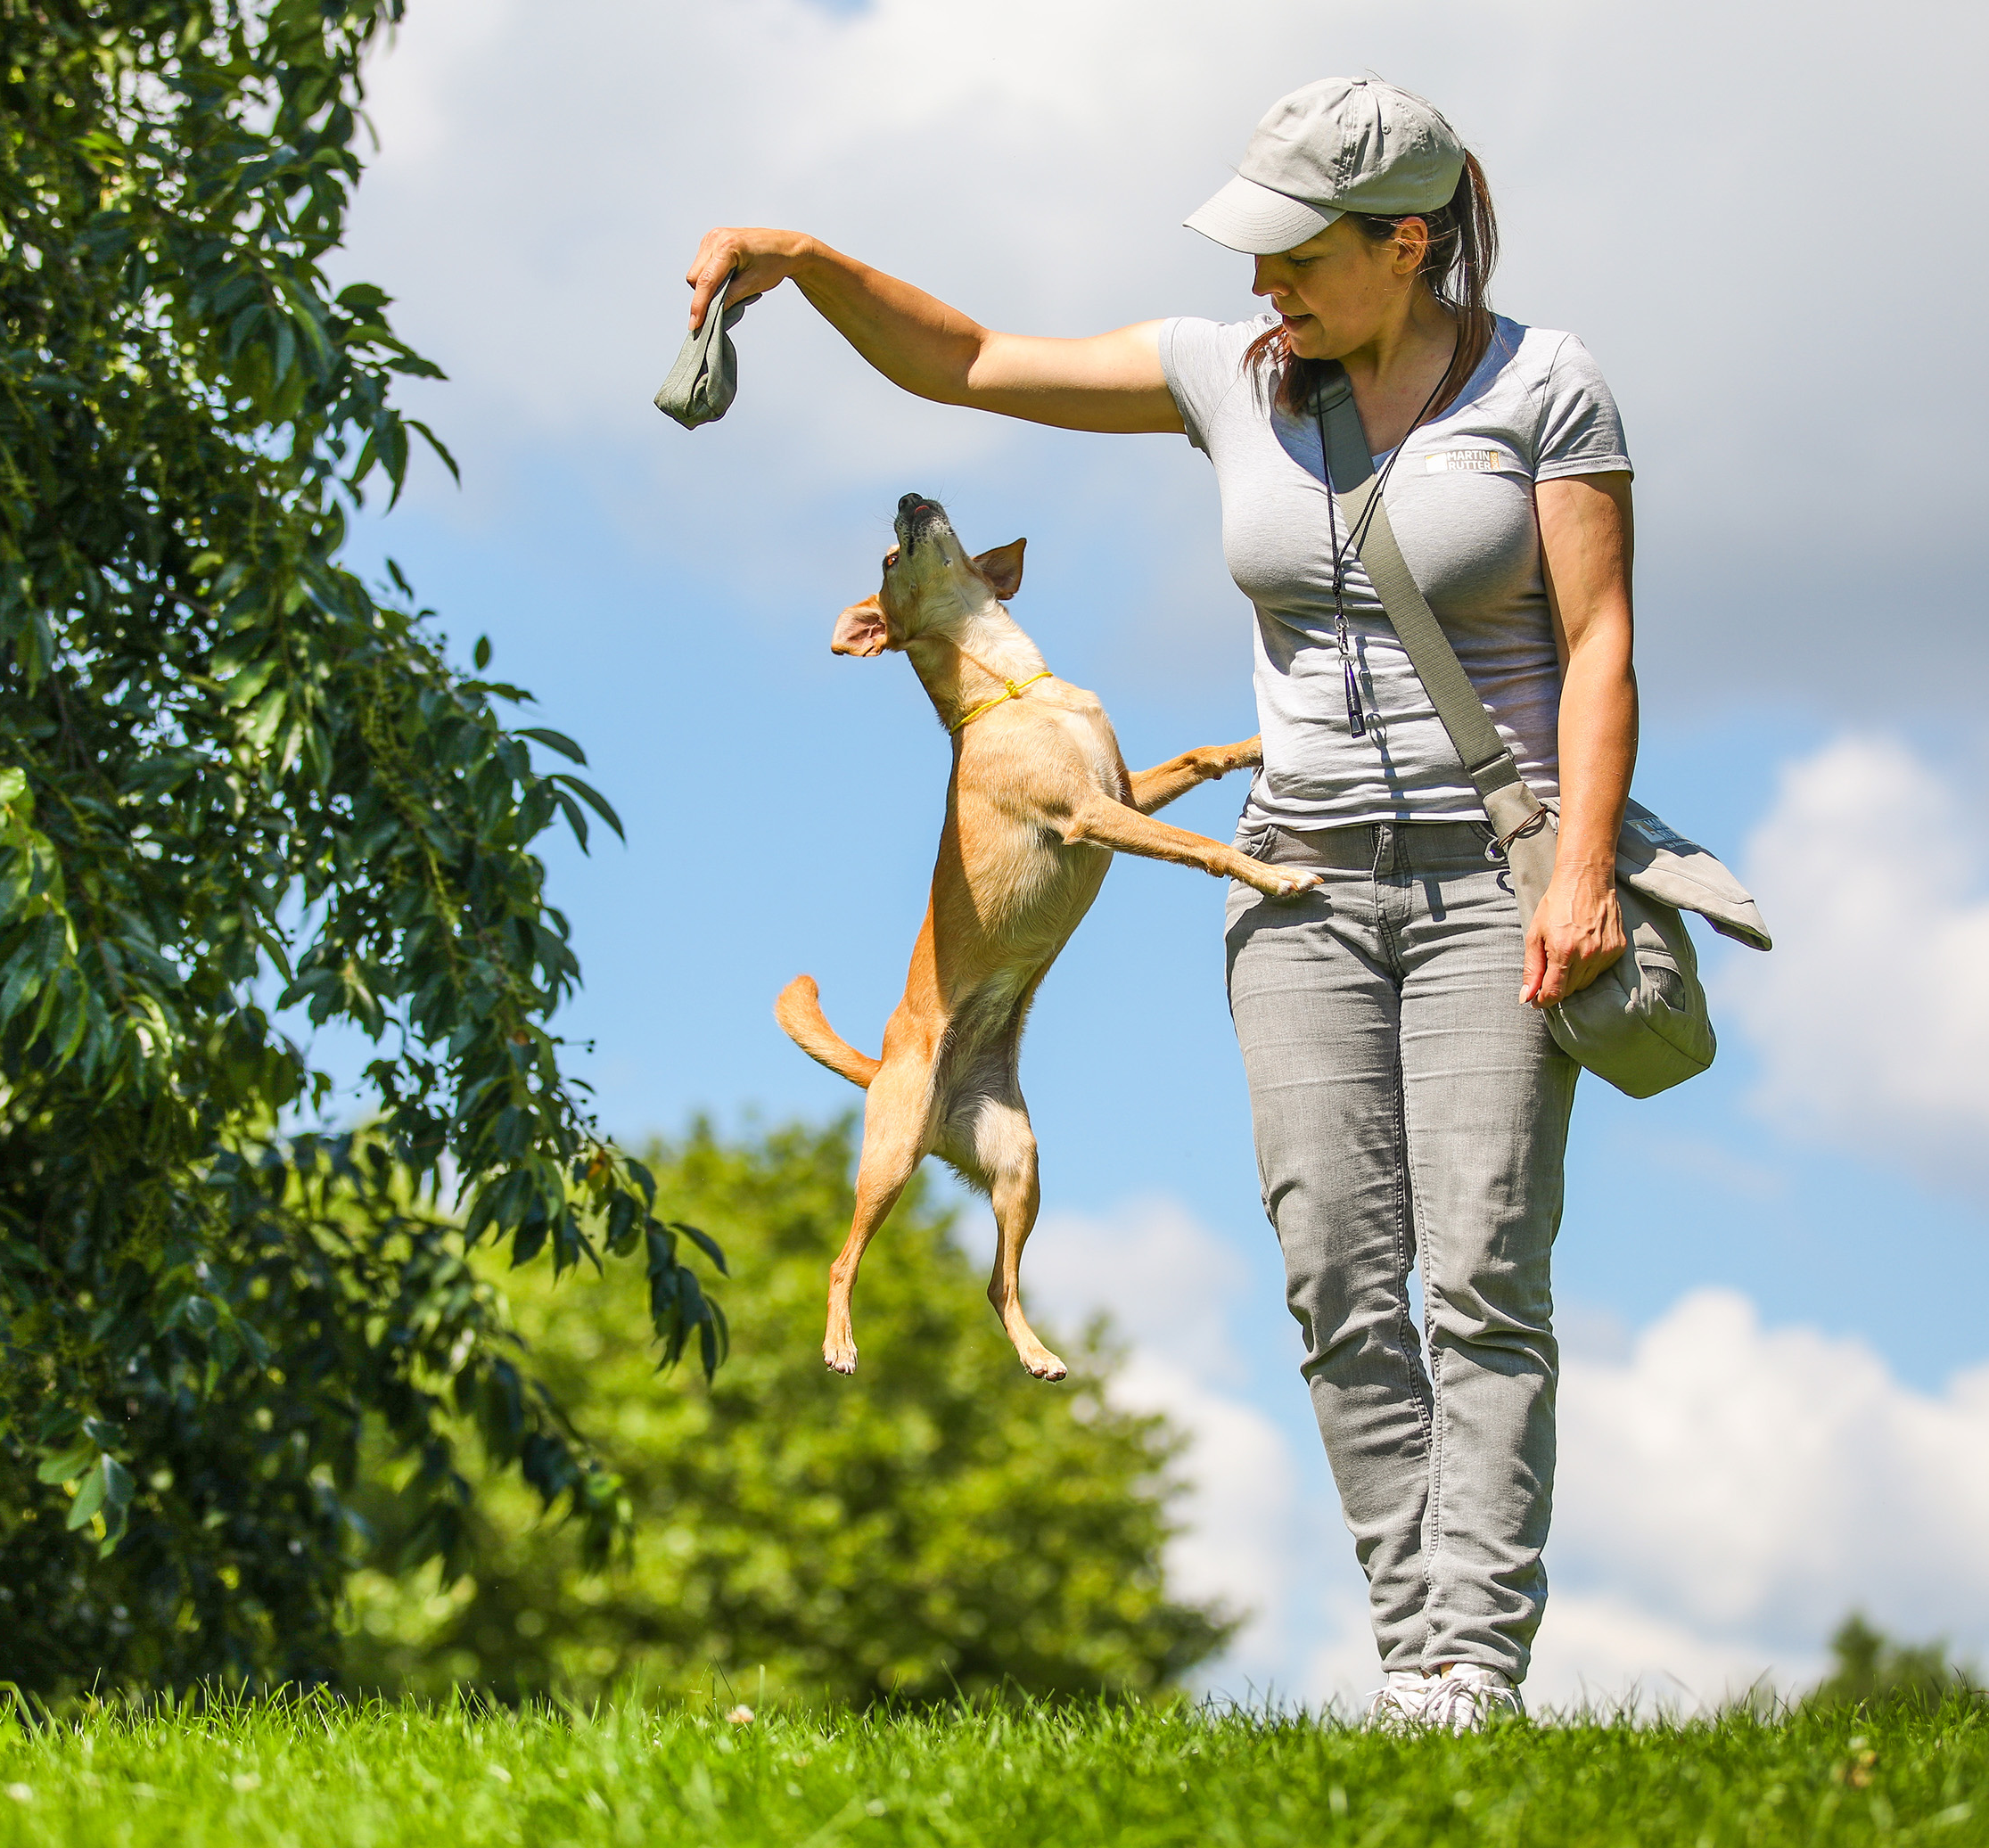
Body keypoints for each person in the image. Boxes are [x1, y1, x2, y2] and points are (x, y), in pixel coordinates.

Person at [686, 75, 1635, 1732]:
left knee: (1479, 1270)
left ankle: (1473, 1655)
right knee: (1336, 1272)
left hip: (1498, 882)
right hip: (1296, 887)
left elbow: (1601, 638)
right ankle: (1420, 1662)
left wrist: (1579, 867)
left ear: (1402, 245)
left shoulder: (1543, 390)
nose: (1264, 285)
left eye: (1296, 255)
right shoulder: (1231, 379)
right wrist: (809, 261)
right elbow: (969, 361)